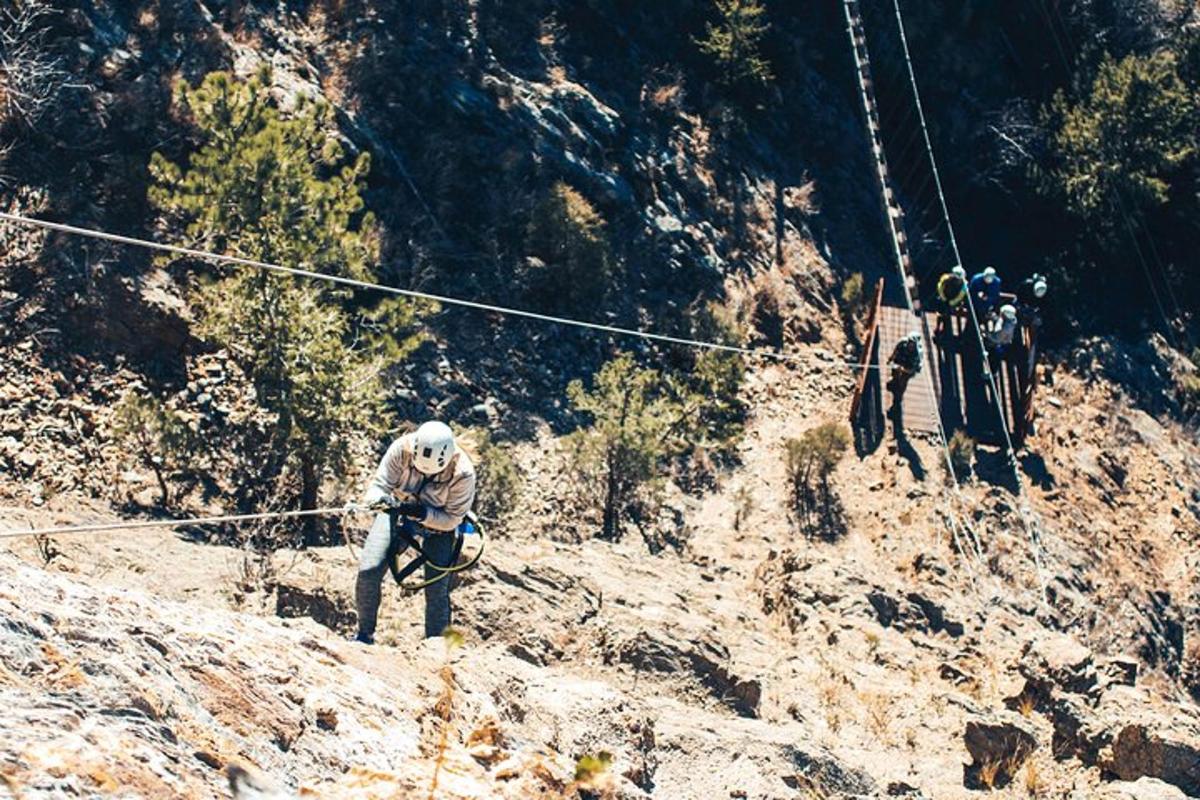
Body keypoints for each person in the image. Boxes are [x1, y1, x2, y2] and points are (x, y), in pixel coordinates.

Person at [354, 421, 477, 644]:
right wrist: (377, 500)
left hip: (439, 527)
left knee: (436, 589)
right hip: (397, 513)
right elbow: (379, 485)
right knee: (369, 571)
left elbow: (451, 519)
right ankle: (364, 635)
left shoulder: (463, 473)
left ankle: (436, 647)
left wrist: (423, 513)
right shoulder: (402, 449)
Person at [887, 330, 924, 402]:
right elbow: (896, 351)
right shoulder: (902, 342)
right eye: (909, 341)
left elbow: (912, 370)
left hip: (909, 367)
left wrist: (902, 369)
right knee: (895, 373)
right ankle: (894, 380)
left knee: (903, 381)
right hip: (900, 360)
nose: (910, 344)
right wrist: (891, 359)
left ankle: (899, 394)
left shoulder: (917, 355)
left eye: (912, 343)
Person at [935, 265, 968, 338]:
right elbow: (940, 286)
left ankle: (947, 330)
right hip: (944, 297)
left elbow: (961, 295)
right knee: (940, 314)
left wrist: (953, 302)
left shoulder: (964, 284)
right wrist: (943, 297)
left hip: (954, 300)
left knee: (948, 313)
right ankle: (938, 327)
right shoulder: (945, 278)